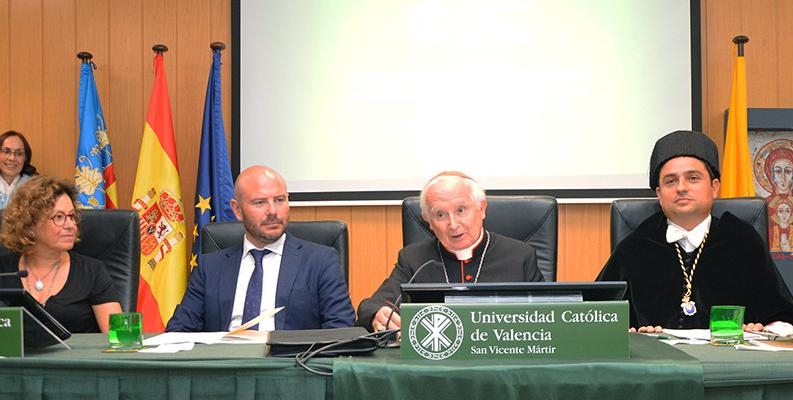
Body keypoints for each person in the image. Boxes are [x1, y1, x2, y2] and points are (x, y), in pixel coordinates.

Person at [597, 130, 793, 332]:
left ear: (714, 187)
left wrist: (764, 329)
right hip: (658, 361)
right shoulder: (635, 247)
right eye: (670, 181)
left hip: (727, 361)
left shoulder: (742, 241)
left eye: (693, 178)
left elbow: (784, 319)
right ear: (659, 194)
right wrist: (629, 334)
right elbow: (597, 315)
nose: (681, 188)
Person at [166, 165, 354, 332]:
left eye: (280, 200)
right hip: (226, 364)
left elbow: (341, 328)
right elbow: (179, 329)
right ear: (237, 210)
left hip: (289, 366)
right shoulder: (211, 267)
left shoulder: (320, 261)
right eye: (260, 202)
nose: (273, 211)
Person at [357, 171, 544, 332]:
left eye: (461, 210)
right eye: (440, 215)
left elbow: (547, 314)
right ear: (428, 220)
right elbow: (372, 305)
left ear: (482, 208)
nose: (453, 225)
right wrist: (377, 314)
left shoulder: (520, 256)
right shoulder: (414, 259)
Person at [0, 176, 121, 333]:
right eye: (59, 217)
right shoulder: (3, 270)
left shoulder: (92, 271)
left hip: (78, 357)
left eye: (72, 216)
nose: (71, 225)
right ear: (29, 224)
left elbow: (118, 338)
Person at [0, 130, 37, 209]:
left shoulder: (35, 187)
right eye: (6, 151)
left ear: (25, 158)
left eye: (19, 153)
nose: (12, 158)